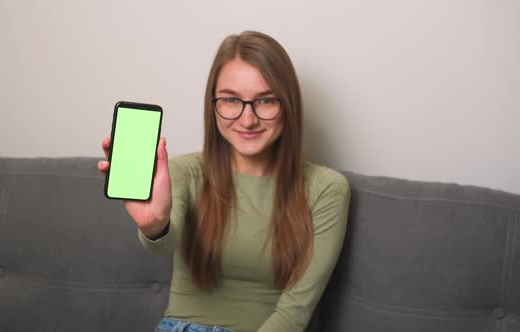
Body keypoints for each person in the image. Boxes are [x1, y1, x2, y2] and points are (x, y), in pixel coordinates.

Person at [98, 31, 350, 332]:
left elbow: (295, 312)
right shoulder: (184, 172)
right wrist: (154, 225)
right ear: (213, 104)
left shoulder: (326, 189)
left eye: (266, 100)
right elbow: (163, 244)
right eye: (231, 100)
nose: (247, 120)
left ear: (289, 104)